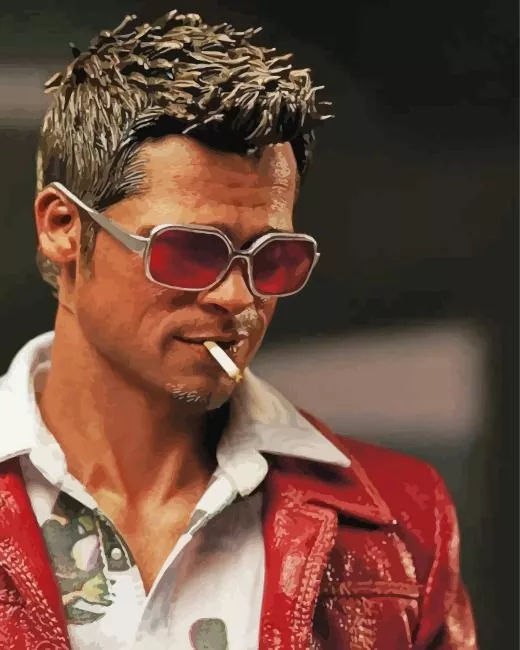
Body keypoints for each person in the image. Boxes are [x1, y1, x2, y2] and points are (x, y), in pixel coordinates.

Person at [0, 9, 477, 650]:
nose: (236, 296)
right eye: (189, 252)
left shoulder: (402, 522)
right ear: (62, 227)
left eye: (273, 259)